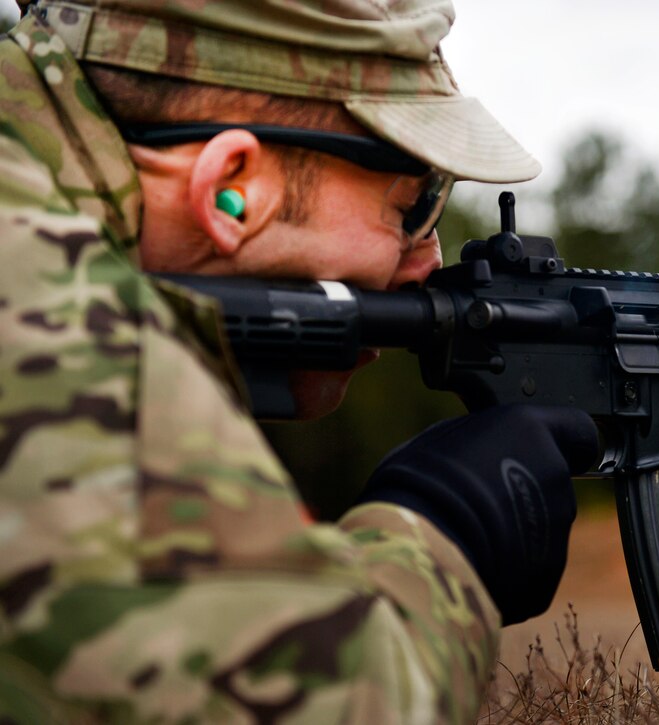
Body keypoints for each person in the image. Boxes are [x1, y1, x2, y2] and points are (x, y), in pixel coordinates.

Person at [0, 1, 598, 722]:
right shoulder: (44, 310)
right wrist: (445, 532)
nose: (430, 263)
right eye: (413, 205)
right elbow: (330, 705)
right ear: (235, 188)